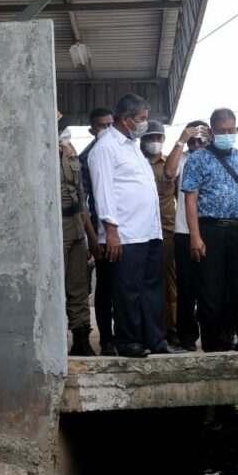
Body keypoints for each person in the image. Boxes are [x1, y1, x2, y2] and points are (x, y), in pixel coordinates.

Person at [88, 94, 183, 357]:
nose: (144, 123)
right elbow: (103, 191)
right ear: (126, 118)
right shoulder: (105, 147)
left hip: (149, 232)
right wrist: (111, 231)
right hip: (125, 234)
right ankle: (128, 342)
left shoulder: (131, 146)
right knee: (127, 291)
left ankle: (155, 339)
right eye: (141, 118)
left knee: (152, 290)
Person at [182, 108, 238, 352]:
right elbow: (190, 199)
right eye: (221, 131)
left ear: (237, 130)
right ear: (211, 131)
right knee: (211, 291)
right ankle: (215, 344)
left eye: (230, 130)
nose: (226, 134)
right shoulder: (198, 159)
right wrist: (195, 236)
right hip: (210, 231)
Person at [163, 119, 208, 351]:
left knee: (212, 287)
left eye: (201, 140)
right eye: (193, 141)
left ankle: (214, 335)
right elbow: (169, 172)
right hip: (184, 231)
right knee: (186, 288)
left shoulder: (215, 157)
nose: (197, 145)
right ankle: (187, 338)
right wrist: (181, 141)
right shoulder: (183, 157)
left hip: (211, 230)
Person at [58, 116, 100, 356]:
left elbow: (81, 198)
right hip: (54, 227)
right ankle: (55, 339)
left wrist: (90, 237)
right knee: (56, 287)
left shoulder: (70, 152)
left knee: (79, 286)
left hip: (75, 227)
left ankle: (82, 339)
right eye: (61, 129)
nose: (65, 132)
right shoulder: (39, 152)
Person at [78, 107, 116, 355]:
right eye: (102, 125)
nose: (107, 129)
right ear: (93, 130)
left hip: (129, 232)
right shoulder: (86, 157)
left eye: (110, 124)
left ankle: (126, 336)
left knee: (126, 287)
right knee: (105, 287)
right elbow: (84, 203)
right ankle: (107, 340)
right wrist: (93, 238)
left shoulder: (126, 149)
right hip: (103, 233)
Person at [142, 120, 181, 347]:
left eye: (158, 137)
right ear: (142, 139)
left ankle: (171, 329)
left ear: (164, 139)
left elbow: (180, 199)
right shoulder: (136, 163)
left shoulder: (171, 165)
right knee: (143, 282)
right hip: (140, 231)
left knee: (169, 282)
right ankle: (146, 329)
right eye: (150, 137)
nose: (154, 142)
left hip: (167, 230)